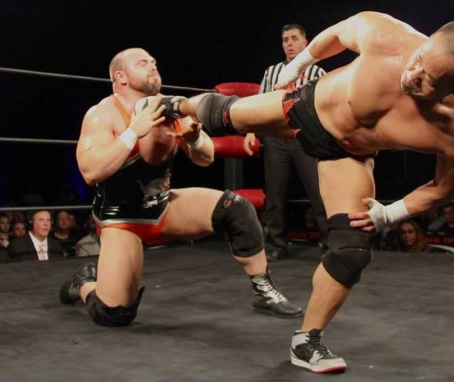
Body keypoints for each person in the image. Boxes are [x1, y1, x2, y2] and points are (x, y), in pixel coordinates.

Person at [177, 11, 454, 373]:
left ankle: (307, 340)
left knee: (352, 250)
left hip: (346, 155)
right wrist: (298, 66)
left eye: (429, 80)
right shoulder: (389, 37)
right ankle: (174, 105)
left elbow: (446, 186)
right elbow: (340, 32)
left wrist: (390, 213)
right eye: (419, 60)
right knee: (225, 114)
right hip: (307, 108)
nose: (412, 75)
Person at [59, 47, 302, 329]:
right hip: (122, 218)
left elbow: (206, 157)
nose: (153, 66)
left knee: (236, 208)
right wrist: (133, 132)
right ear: (121, 77)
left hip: (162, 207)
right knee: (114, 314)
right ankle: (84, 283)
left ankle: (263, 289)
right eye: (143, 63)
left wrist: (194, 138)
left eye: (153, 61)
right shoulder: (102, 114)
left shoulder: (171, 106)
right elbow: (90, 172)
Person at [243, 24, 328, 262]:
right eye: (285, 39)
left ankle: (330, 245)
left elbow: (326, 105)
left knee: (318, 193)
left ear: (304, 43)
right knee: (275, 194)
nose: (289, 43)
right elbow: (259, 103)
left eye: (294, 38)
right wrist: (251, 131)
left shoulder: (317, 72)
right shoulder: (272, 72)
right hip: (276, 137)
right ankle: (277, 245)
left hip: (305, 137)